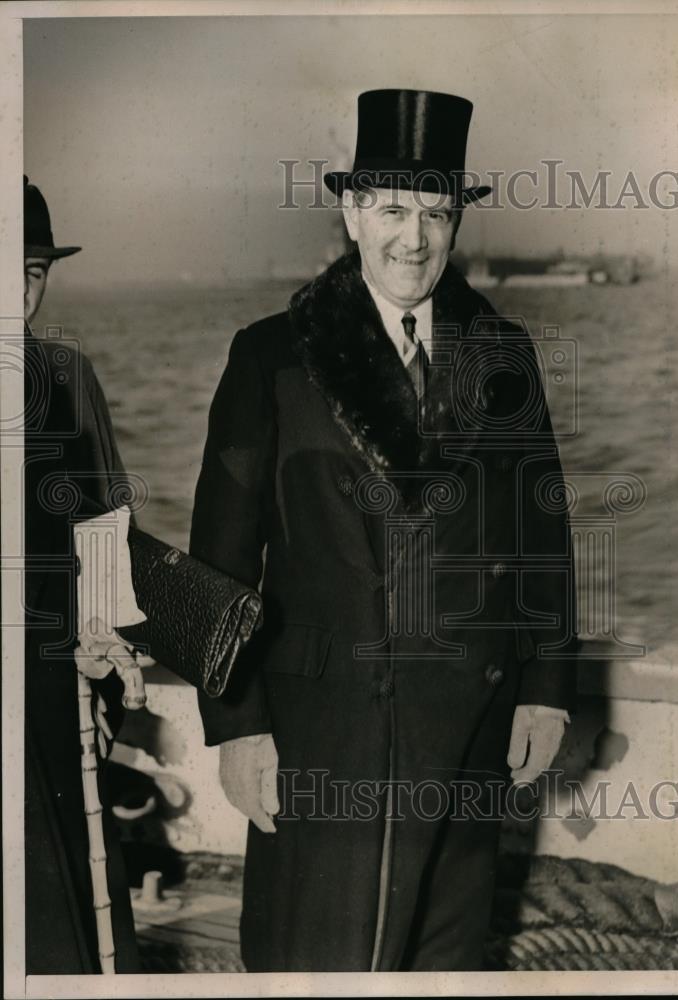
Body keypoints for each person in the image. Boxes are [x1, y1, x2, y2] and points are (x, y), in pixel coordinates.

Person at [191, 89, 577, 972]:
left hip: (468, 724)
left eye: (436, 213)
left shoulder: (503, 355)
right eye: (394, 210)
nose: (416, 238)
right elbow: (219, 556)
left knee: (442, 961)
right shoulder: (270, 357)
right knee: (315, 958)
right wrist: (236, 726)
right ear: (353, 212)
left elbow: (544, 543)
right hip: (319, 733)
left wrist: (546, 690)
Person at [23, 176, 145, 973]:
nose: (18, 290)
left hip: (45, 679)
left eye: (33, 271)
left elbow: (104, 527)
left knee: (62, 912)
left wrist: (105, 642)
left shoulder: (67, 377)